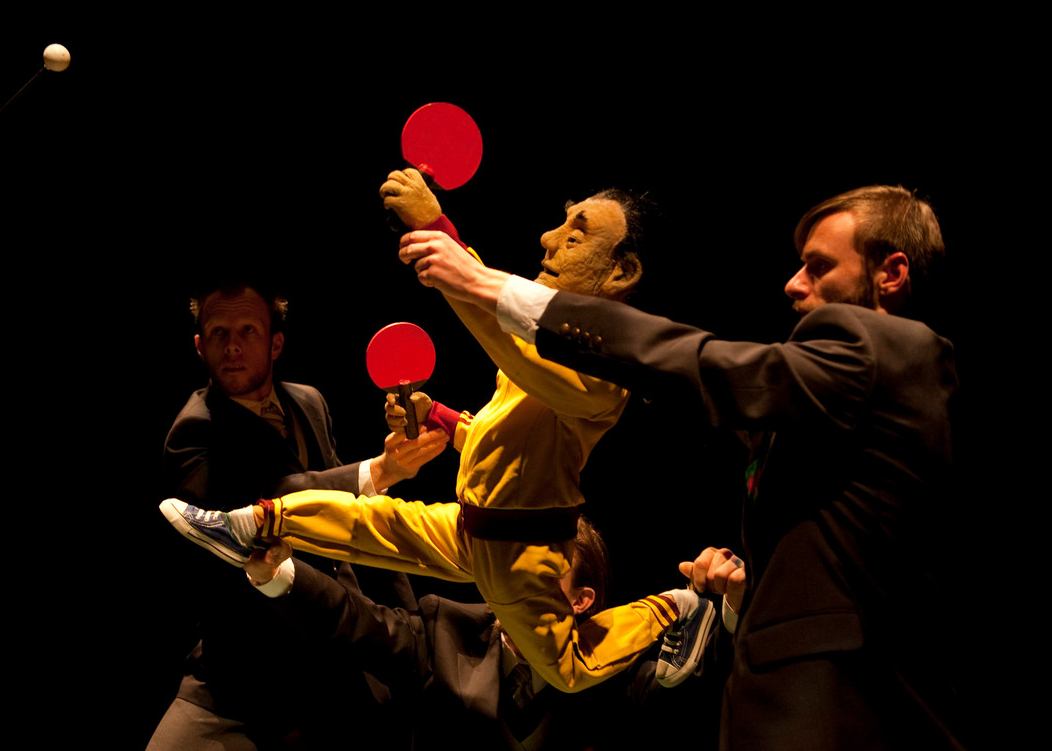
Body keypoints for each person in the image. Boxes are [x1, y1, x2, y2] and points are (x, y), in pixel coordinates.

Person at [396, 185, 965, 749]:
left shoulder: (890, 350)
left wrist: (484, 283)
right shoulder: (830, 414)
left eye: (819, 267)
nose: (793, 284)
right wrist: (743, 596)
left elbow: (705, 367)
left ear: (892, 273)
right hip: (794, 701)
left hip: (848, 711)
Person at [162, 170, 712, 696]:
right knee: (366, 522)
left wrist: (438, 233)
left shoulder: (603, 370)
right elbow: (501, 434)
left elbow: (504, 330)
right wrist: (441, 418)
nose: (549, 238)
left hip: (520, 552)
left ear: (621, 273)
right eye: (562, 223)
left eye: (577, 233)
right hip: (472, 524)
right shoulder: (550, 346)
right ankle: (248, 523)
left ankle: (678, 608)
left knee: (570, 668)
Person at [148, 276, 446, 751]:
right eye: (219, 333)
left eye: (247, 330)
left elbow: (358, 518)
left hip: (339, 646)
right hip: (252, 668)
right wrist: (375, 470)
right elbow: (261, 506)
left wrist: (406, 619)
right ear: (200, 346)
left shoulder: (309, 402)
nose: (232, 346)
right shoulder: (193, 431)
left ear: (276, 343)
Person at [242, 516, 644, 750]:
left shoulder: (606, 665)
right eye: (512, 565)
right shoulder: (445, 628)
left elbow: (663, 687)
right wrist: (279, 575)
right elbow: (354, 621)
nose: (513, 582)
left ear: (580, 600)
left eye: (542, 575)